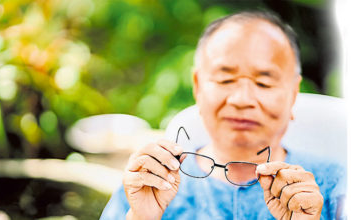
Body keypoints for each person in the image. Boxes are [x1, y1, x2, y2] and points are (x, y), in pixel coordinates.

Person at [100, 11, 346, 220]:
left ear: (293, 94)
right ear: (198, 87)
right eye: (225, 79)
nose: (241, 100)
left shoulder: (335, 186)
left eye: (263, 83)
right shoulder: (149, 182)